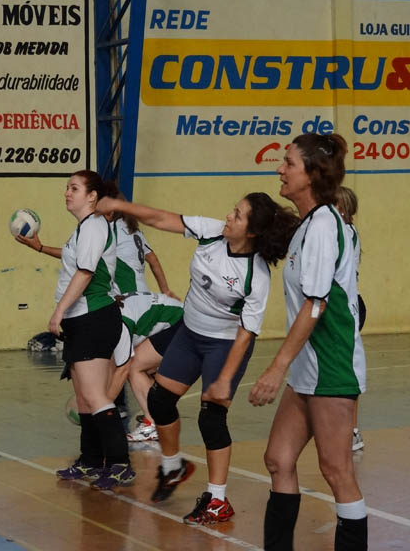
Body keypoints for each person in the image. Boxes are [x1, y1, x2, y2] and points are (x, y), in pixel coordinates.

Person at [96, 192, 298, 525]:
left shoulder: (255, 275)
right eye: (233, 209)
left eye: (238, 215)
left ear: (251, 232)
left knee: (211, 418)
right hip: (189, 332)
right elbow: (161, 217)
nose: (229, 216)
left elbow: (246, 332)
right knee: (160, 402)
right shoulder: (212, 231)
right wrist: (119, 206)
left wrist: (223, 379)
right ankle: (173, 467)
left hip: (224, 345)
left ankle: (217, 500)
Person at [249, 133, 367, 551]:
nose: (280, 169)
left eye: (289, 163)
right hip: (309, 367)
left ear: (313, 175)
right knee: (278, 460)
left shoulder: (322, 228)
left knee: (337, 471)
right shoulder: (309, 225)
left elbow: (316, 305)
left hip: (331, 364)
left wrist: (276, 367)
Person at [36, 170, 135, 490]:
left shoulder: (94, 225)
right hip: (81, 320)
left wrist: (59, 311)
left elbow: (85, 272)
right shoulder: (83, 228)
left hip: (94, 317)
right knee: (83, 398)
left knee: (95, 395)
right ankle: (91, 460)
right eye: (67, 187)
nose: (67, 192)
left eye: (74, 188)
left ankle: (120, 463)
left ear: (92, 196)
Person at [116, 292, 184, 443]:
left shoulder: (120, 322)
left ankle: (154, 423)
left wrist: (102, 406)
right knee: (143, 367)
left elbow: (121, 367)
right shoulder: (113, 305)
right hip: (179, 318)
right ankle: (158, 416)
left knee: (134, 367)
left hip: (181, 322)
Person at [336, 186, 366, 452]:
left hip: (348, 307)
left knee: (347, 373)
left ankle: (353, 431)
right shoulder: (338, 230)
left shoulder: (346, 232)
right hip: (345, 305)